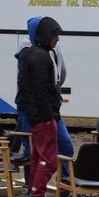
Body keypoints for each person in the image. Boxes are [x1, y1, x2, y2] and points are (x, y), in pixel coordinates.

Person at [14, 17, 74, 187]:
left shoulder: (51, 47)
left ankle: (64, 187)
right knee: (32, 151)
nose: (56, 38)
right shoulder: (28, 51)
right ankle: (32, 189)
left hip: (51, 109)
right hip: (34, 111)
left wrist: (55, 95)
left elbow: (59, 72)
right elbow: (32, 89)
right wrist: (45, 113)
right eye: (53, 34)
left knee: (66, 146)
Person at [18, 16, 64, 197]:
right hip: (43, 117)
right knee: (50, 160)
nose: (57, 40)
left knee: (38, 157)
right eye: (55, 35)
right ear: (46, 36)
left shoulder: (29, 54)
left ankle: (34, 193)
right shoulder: (41, 57)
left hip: (35, 116)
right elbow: (41, 91)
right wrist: (50, 116)